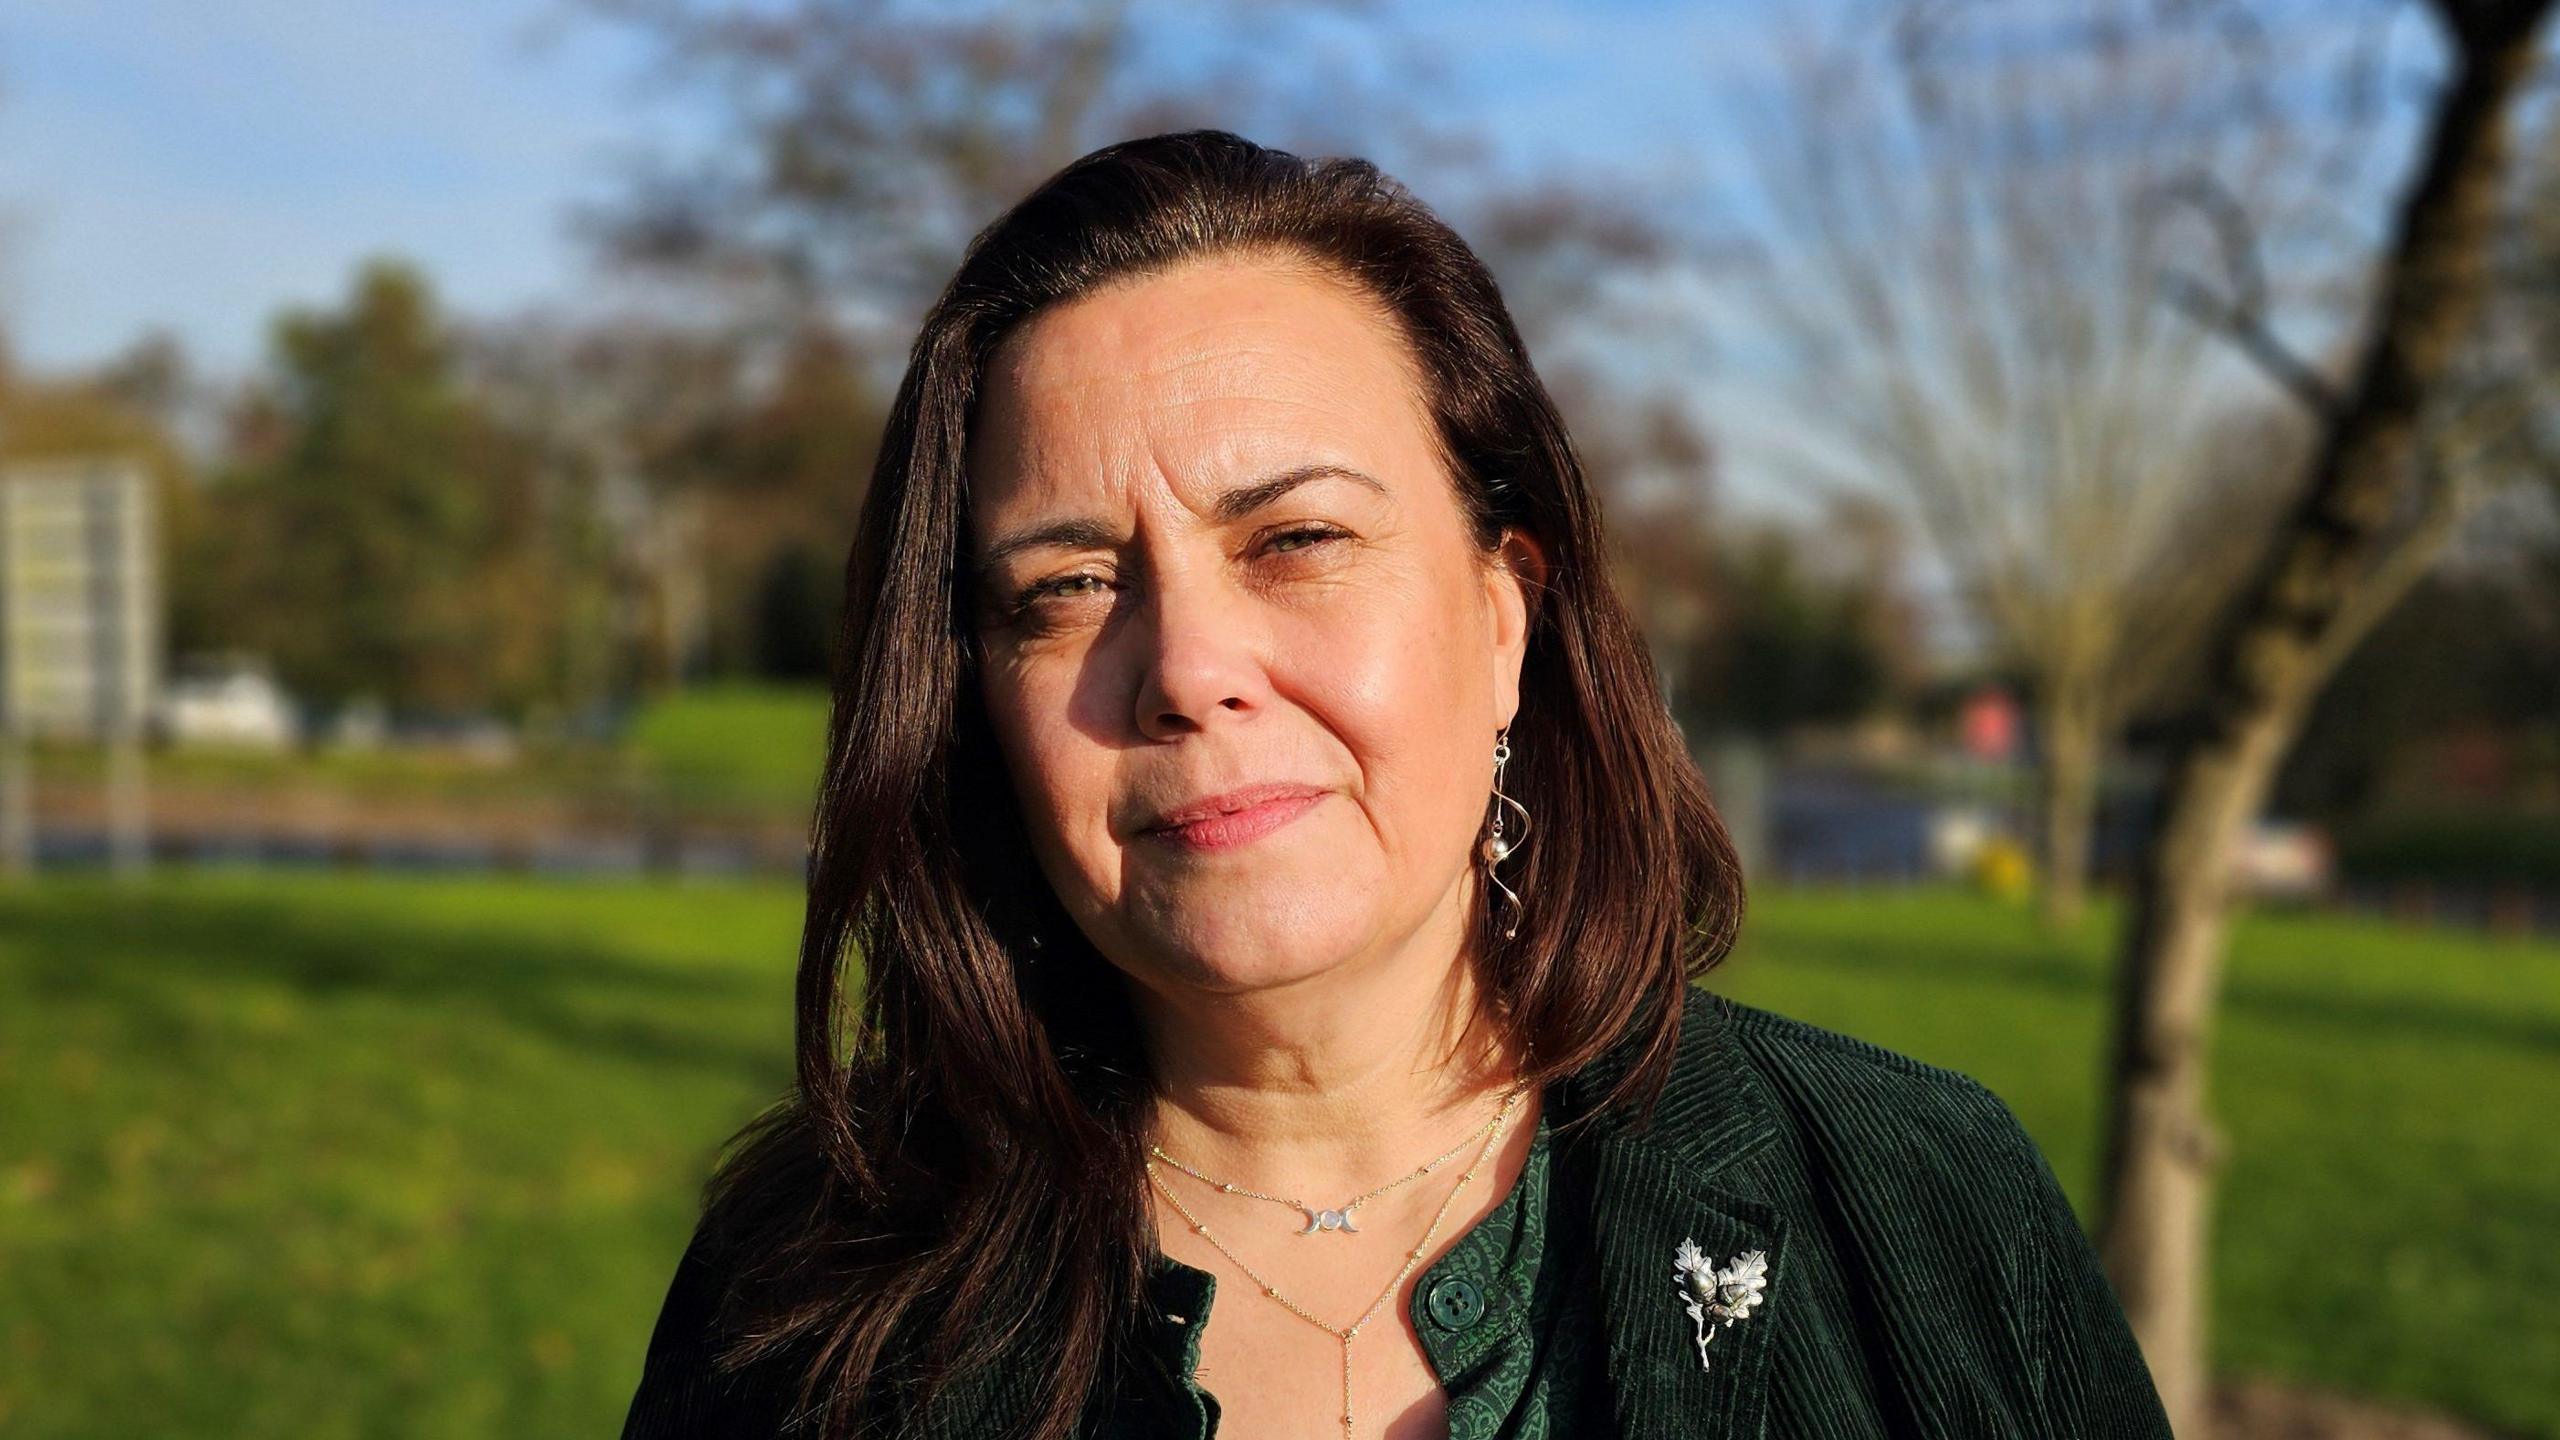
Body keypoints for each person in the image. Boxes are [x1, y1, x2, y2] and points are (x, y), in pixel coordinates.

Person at [619, 129, 2173, 1440]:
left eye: (1294, 540)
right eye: (1069, 588)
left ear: (1504, 617)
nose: (1184, 667)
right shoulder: (804, 1305)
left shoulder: (1916, 1206)